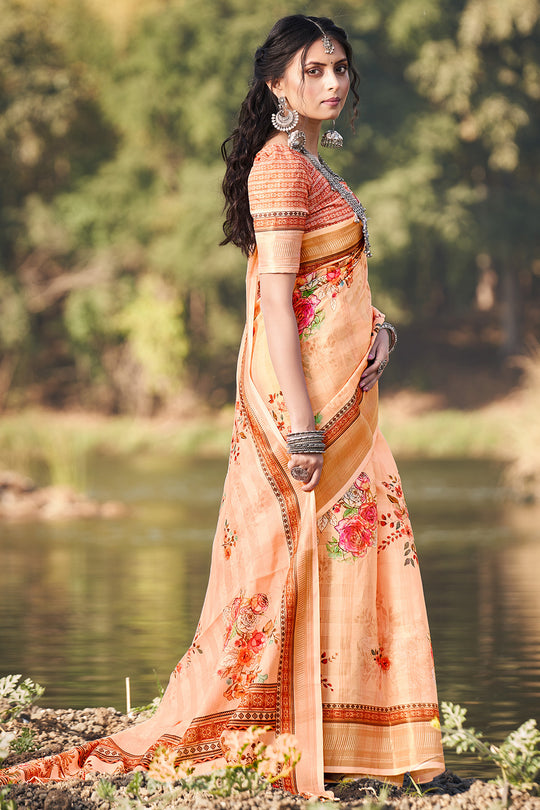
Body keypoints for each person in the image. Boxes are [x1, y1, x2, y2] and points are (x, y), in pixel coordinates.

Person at [0, 15, 444, 795]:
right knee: (293, 568)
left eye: (339, 68)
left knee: (357, 561)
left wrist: (381, 330)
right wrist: (302, 427)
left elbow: (324, 289)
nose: (333, 83)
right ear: (278, 85)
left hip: (351, 402)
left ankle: (349, 746)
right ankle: (292, 744)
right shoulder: (279, 169)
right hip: (302, 414)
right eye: (314, 71)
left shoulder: (320, 168)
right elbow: (275, 306)